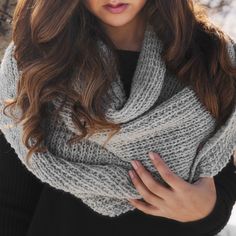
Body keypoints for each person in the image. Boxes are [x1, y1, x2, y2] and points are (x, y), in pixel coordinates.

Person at [0, 0, 236, 235]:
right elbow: (10, 201)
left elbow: (220, 180)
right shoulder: (36, 59)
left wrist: (205, 211)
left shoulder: (210, 55)